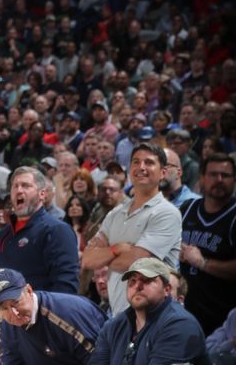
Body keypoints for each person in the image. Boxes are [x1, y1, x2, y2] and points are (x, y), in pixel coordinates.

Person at [81, 143, 182, 315]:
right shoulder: (115, 213)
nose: (141, 167)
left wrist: (105, 258)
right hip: (119, 314)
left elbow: (135, 264)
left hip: (155, 316)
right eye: (136, 162)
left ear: (163, 173)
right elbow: (88, 260)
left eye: (149, 162)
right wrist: (116, 249)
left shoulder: (167, 213)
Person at [89, 257, 207, 365]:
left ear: (167, 289)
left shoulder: (180, 324)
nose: (137, 286)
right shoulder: (113, 326)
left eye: (147, 280)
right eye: (132, 281)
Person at [0, 166, 80, 293]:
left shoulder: (57, 230)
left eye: (25, 185)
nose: (19, 190)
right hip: (7, 311)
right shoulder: (2, 236)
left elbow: (66, 287)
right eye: (15, 186)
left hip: (42, 311)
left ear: (42, 194)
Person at [0, 268, 107, 364]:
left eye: (16, 302)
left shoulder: (64, 314)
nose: (13, 313)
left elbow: (100, 359)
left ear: (29, 291)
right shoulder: (7, 324)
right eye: (4, 308)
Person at [179, 153, 236, 336]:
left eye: (225, 175)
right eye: (213, 174)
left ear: (234, 180)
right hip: (184, 314)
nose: (219, 180)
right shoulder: (187, 208)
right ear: (202, 178)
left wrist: (202, 262)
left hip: (221, 324)